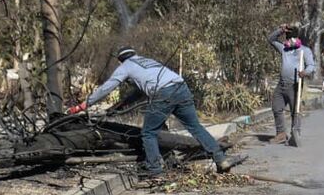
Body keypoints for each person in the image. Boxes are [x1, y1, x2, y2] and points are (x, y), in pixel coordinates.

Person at [67, 47, 243, 177]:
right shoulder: (147, 62)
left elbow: (107, 88)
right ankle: (220, 159)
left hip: (163, 93)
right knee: (195, 127)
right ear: (134, 54)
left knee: (149, 133)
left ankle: (155, 170)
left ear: (120, 60)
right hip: (181, 88)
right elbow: (138, 92)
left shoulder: (126, 66)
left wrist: (84, 105)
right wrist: (118, 107)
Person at [268, 25, 315, 145]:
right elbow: (271, 39)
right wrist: (281, 30)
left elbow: (311, 65)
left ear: (296, 39)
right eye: (287, 39)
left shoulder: (304, 50)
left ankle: (295, 133)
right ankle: (281, 134)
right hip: (282, 84)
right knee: (276, 107)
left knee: (296, 111)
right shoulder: (284, 48)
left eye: (290, 39)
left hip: (295, 85)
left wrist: (305, 72)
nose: (287, 41)